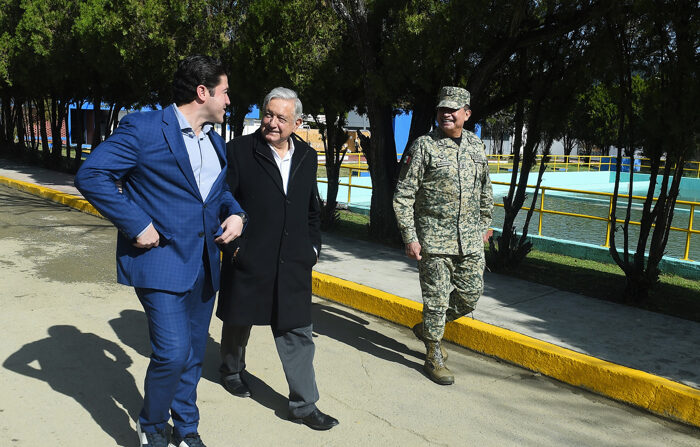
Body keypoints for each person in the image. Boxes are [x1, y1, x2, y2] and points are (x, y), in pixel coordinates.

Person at [75, 55, 245, 447]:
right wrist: (136, 223)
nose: (229, 100)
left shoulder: (214, 141)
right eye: (225, 92)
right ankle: (152, 426)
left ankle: (187, 429)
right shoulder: (145, 128)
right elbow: (92, 174)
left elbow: (217, 197)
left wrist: (236, 215)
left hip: (205, 263)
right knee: (172, 353)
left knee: (191, 355)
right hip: (162, 261)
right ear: (203, 92)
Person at [216, 87, 338, 431]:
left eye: (281, 118)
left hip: (294, 261)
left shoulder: (307, 156)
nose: (271, 123)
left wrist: (313, 247)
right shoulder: (239, 151)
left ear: (297, 122)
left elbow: (311, 208)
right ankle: (231, 369)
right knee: (239, 322)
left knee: (298, 332)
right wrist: (234, 250)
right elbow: (220, 201)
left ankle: (303, 404)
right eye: (268, 114)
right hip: (250, 257)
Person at [393, 86, 493, 386]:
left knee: (470, 295)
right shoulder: (424, 146)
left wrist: (486, 224)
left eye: (452, 109)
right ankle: (433, 352)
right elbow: (403, 195)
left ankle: (427, 328)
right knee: (436, 300)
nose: (446, 114)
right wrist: (410, 236)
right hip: (433, 240)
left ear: (467, 113)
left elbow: (485, 189)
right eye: (441, 109)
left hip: (471, 239)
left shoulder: (476, 146)